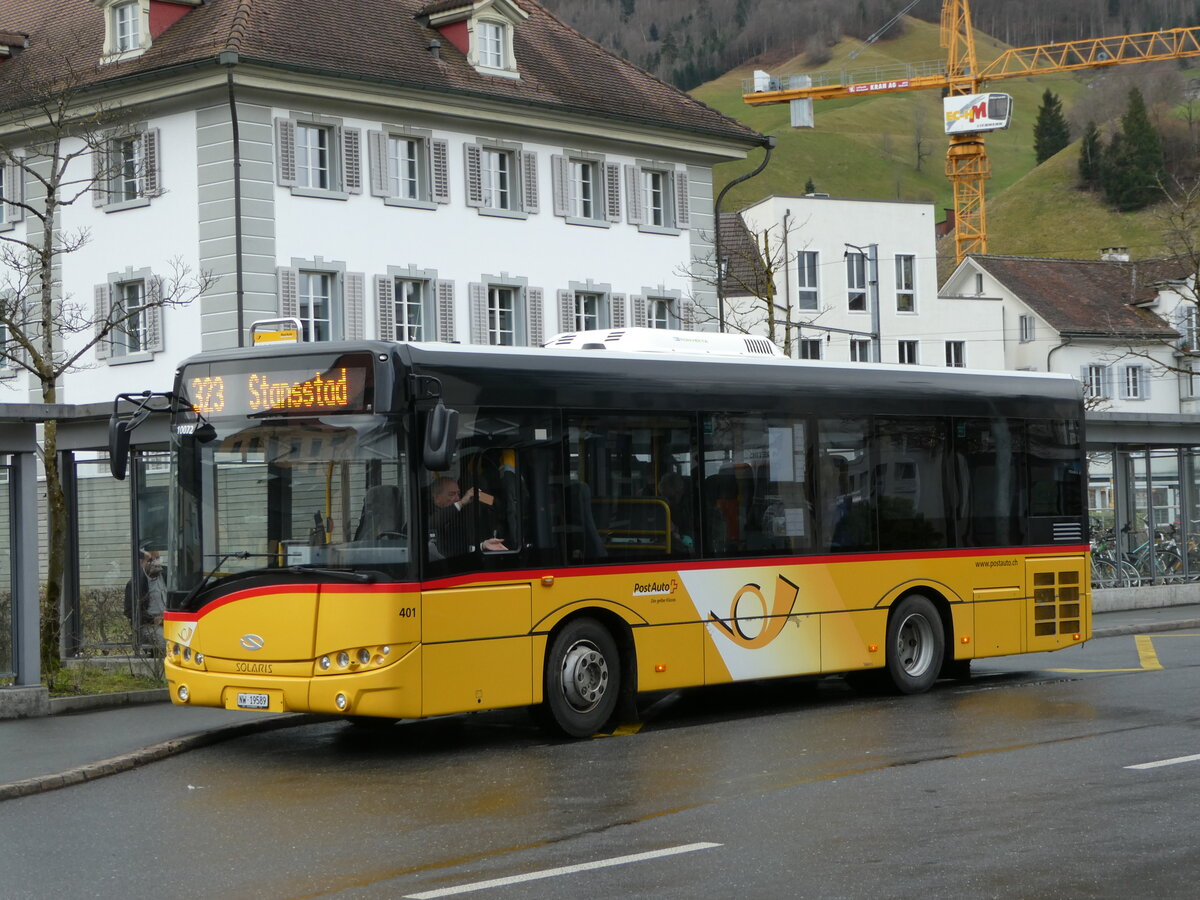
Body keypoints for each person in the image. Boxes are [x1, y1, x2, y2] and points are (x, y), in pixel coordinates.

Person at [429, 477, 507, 557]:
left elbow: (498, 505)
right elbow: (433, 522)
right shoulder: (424, 513)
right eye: (451, 494)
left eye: (458, 494)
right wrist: (461, 503)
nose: (457, 498)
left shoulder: (459, 514)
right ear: (437, 498)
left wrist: (483, 546)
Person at [125, 548, 167, 654]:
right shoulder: (134, 584)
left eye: (157, 558)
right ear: (141, 563)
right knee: (166, 642)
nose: (155, 563)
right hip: (149, 625)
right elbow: (130, 612)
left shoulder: (168, 574)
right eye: (150, 560)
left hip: (170, 620)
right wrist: (153, 620)